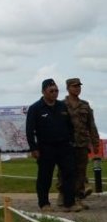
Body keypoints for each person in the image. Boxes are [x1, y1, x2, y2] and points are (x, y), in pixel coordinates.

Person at [25, 78, 80, 212]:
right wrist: (34, 148)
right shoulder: (36, 108)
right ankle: (44, 204)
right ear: (44, 91)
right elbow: (29, 130)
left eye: (56, 90)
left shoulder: (62, 106)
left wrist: (71, 141)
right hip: (45, 148)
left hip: (64, 146)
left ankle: (69, 203)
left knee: (69, 174)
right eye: (51, 91)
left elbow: (70, 126)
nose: (54, 93)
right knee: (45, 176)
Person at [62, 78, 100, 207]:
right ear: (68, 88)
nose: (77, 88)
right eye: (74, 86)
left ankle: (78, 198)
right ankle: (64, 196)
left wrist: (95, 143)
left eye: (79, 86)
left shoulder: (85, 105)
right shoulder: (61, 105)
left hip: (82, 143)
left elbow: (91, 125)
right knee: (65, 171)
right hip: (66, 144)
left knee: (80, 171)